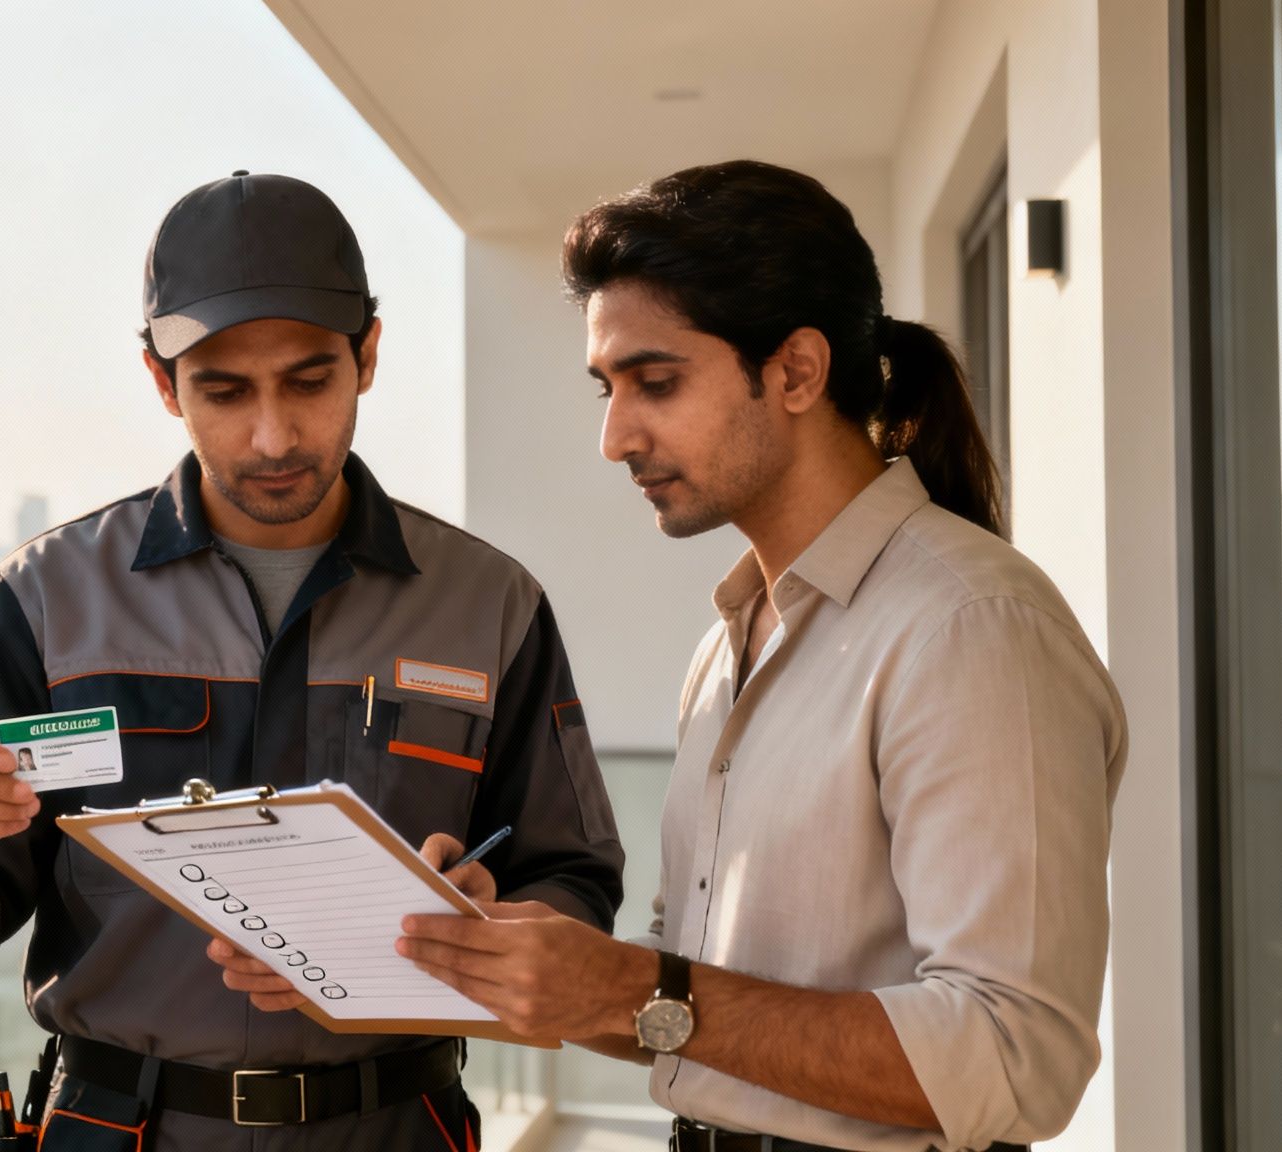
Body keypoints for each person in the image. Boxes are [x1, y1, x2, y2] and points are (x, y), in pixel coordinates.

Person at [0, 170, 626, 1150]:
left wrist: (488, 930)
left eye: (309, 381)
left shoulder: (490, 605)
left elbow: (571, 886)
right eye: (223, 392)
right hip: (119, 1131)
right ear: (160, 383)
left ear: (369, 356)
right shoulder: (43, 603)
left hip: (396, 1130)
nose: (272, 436)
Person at [398, 160, 1127, 1152]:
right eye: (604, 389)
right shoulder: (729, 641)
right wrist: (533, 964)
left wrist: (634, 988)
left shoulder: (968, 627)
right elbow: (689, 990)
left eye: (653, 381)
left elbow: (1013, 1056)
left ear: (793, 370)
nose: (614, 437)